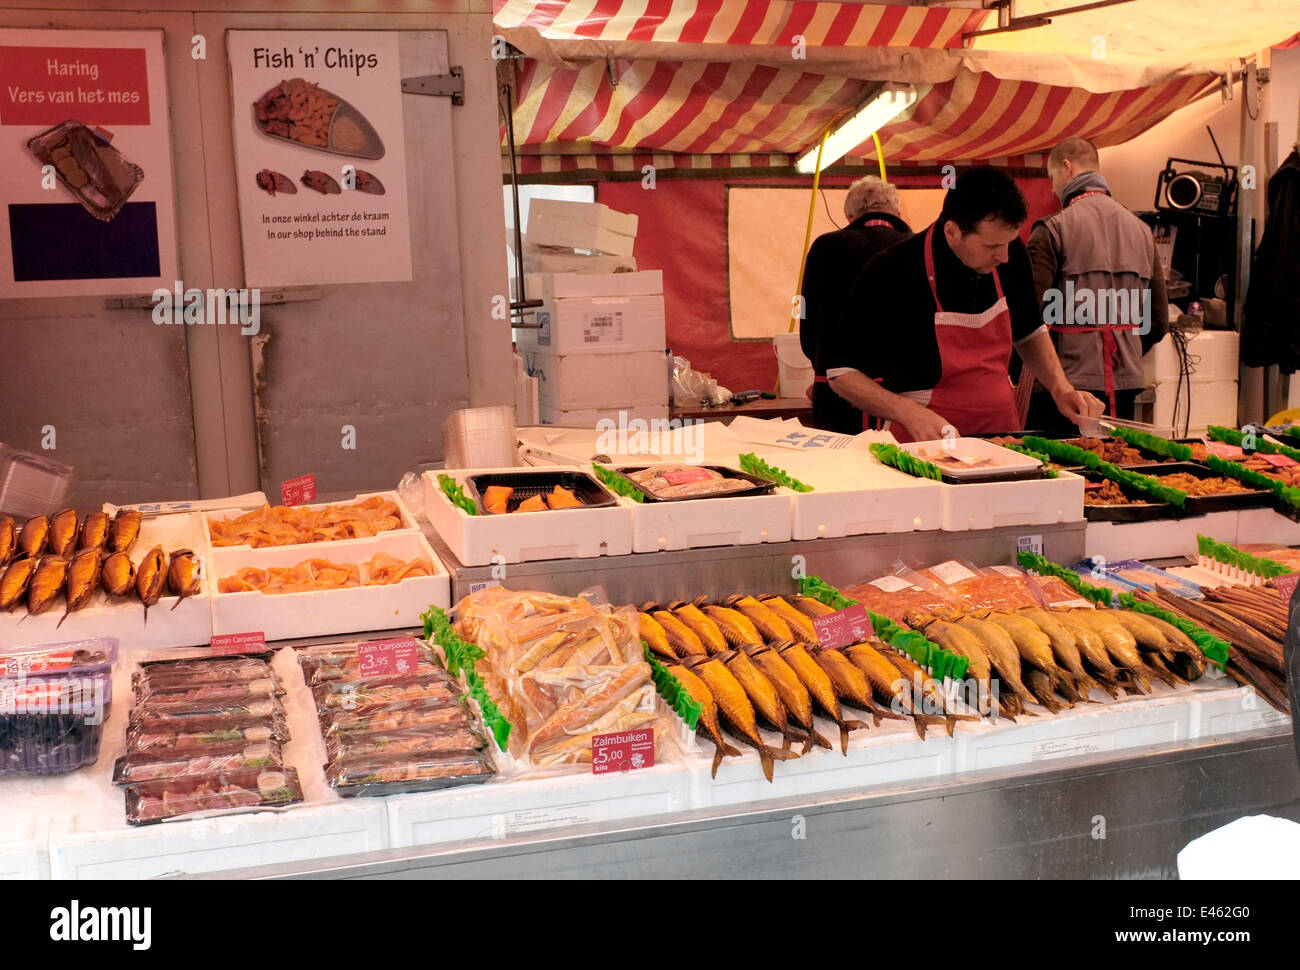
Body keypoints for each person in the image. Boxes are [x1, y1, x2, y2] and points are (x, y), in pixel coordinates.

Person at [823, 167, 1104, 442]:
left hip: (1002, 435)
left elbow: (1028, 331)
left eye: (1009, 243)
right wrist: (907, 413)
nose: (1004, 257)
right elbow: (841, 373)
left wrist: (1061, 388)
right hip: (922, 443)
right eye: (991, 247)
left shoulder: (1011, 252)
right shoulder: (892, 269)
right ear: (952, 231)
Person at [1025, 137, 1169, 433]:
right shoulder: (1143, 231)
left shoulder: (1053, 229)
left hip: (1065, 387)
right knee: (1115, 469)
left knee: (1064, 473)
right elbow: (1157, 322)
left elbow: (1029, 316)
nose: (1053, 187)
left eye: (1052, 178)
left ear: (1066, 168)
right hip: (1126, 384)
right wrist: (1125, 349)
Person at [799, 176, 912, 434]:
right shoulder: (916, 247)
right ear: (896, 211)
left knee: (838, 468)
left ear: (850, 215)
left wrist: (818, 363)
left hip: (835, 389)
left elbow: (807, 316)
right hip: (902, 393)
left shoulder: (825, 247)